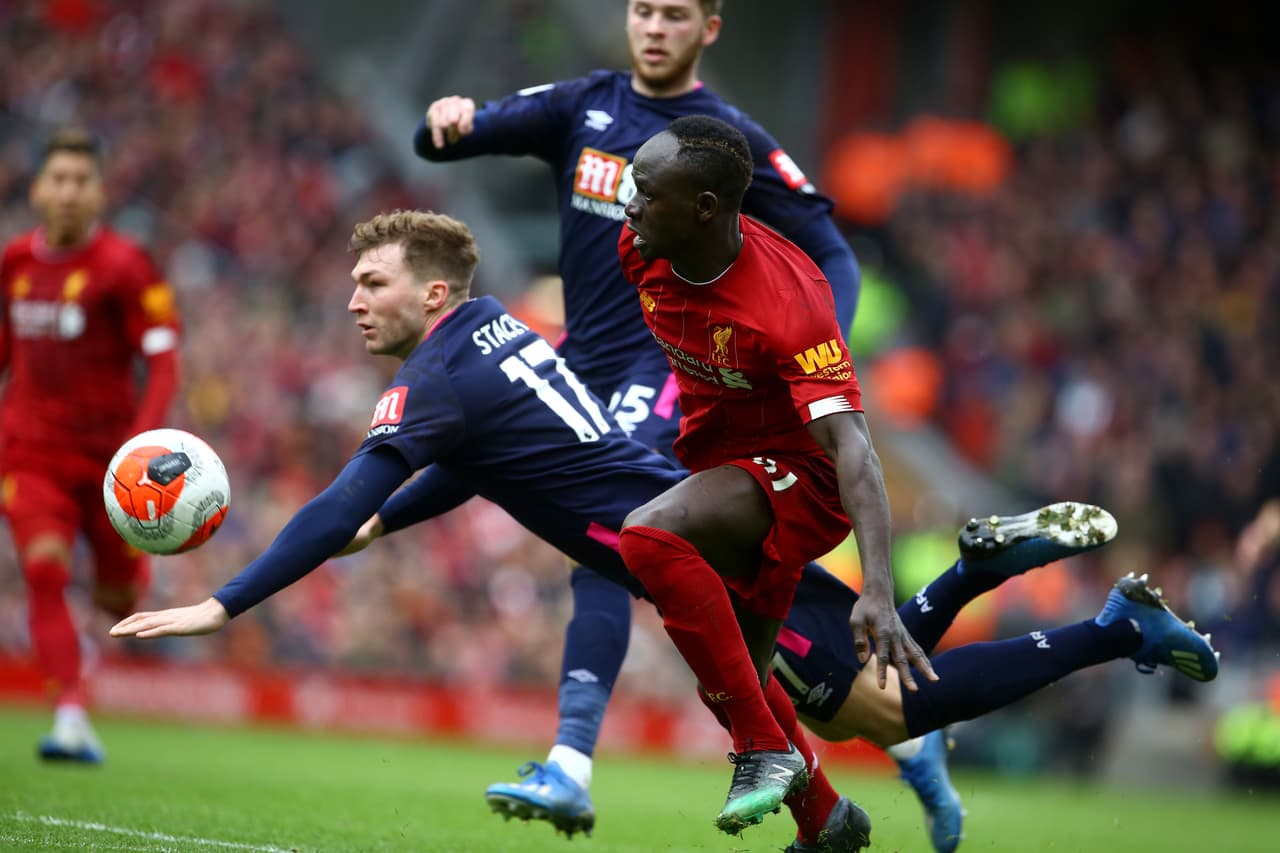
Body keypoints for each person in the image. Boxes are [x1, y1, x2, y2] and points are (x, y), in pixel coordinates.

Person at [105, 212, 1219, 852]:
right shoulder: (492, 332)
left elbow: (338, 497)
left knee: (890, 708)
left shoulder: (435, 379)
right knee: (836, 691)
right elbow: (470, 465)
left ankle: (1114, 629)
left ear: (433, 293)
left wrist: (224, 602)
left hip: (709, 553)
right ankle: (853, 766)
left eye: (371, 283)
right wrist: (387, 519)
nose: (354, 300)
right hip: (703, 519)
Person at [416, 0, 868, 833]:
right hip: (580, 363)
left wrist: (818, 345)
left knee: (626, 537)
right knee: (715, 611)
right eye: (642, 10)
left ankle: (572, 761)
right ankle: (832, 798)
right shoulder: (582, 104)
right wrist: (446, 121)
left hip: (660, 379)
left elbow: (831, 249)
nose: (655, 27)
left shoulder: (725, 142)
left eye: (675, 14)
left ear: (710, 29)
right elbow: (441, 139)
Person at [610, 113, 936, 839]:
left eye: (648, 194)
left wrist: (877, 587)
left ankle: (763, 749)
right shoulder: (641, 246)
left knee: (647, 537)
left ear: (704, 208)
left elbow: (853, 447)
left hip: (806, 480)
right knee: (734, 678)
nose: (630, 207)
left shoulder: (790, 304)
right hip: (720, 458)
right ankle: (827, 821)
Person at [0, 127, 183, 764]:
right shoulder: (14, 264)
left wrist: (143, 440)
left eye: (82, 180)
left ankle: (126, 578)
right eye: (59, 179)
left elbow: (163, 361)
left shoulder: (126, 266)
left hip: (112, 462)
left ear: (100, 192)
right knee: (44, 568)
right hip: (30, 452)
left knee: (118, 599)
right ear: (37, 190)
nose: (70, 192)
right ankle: (71, 715)